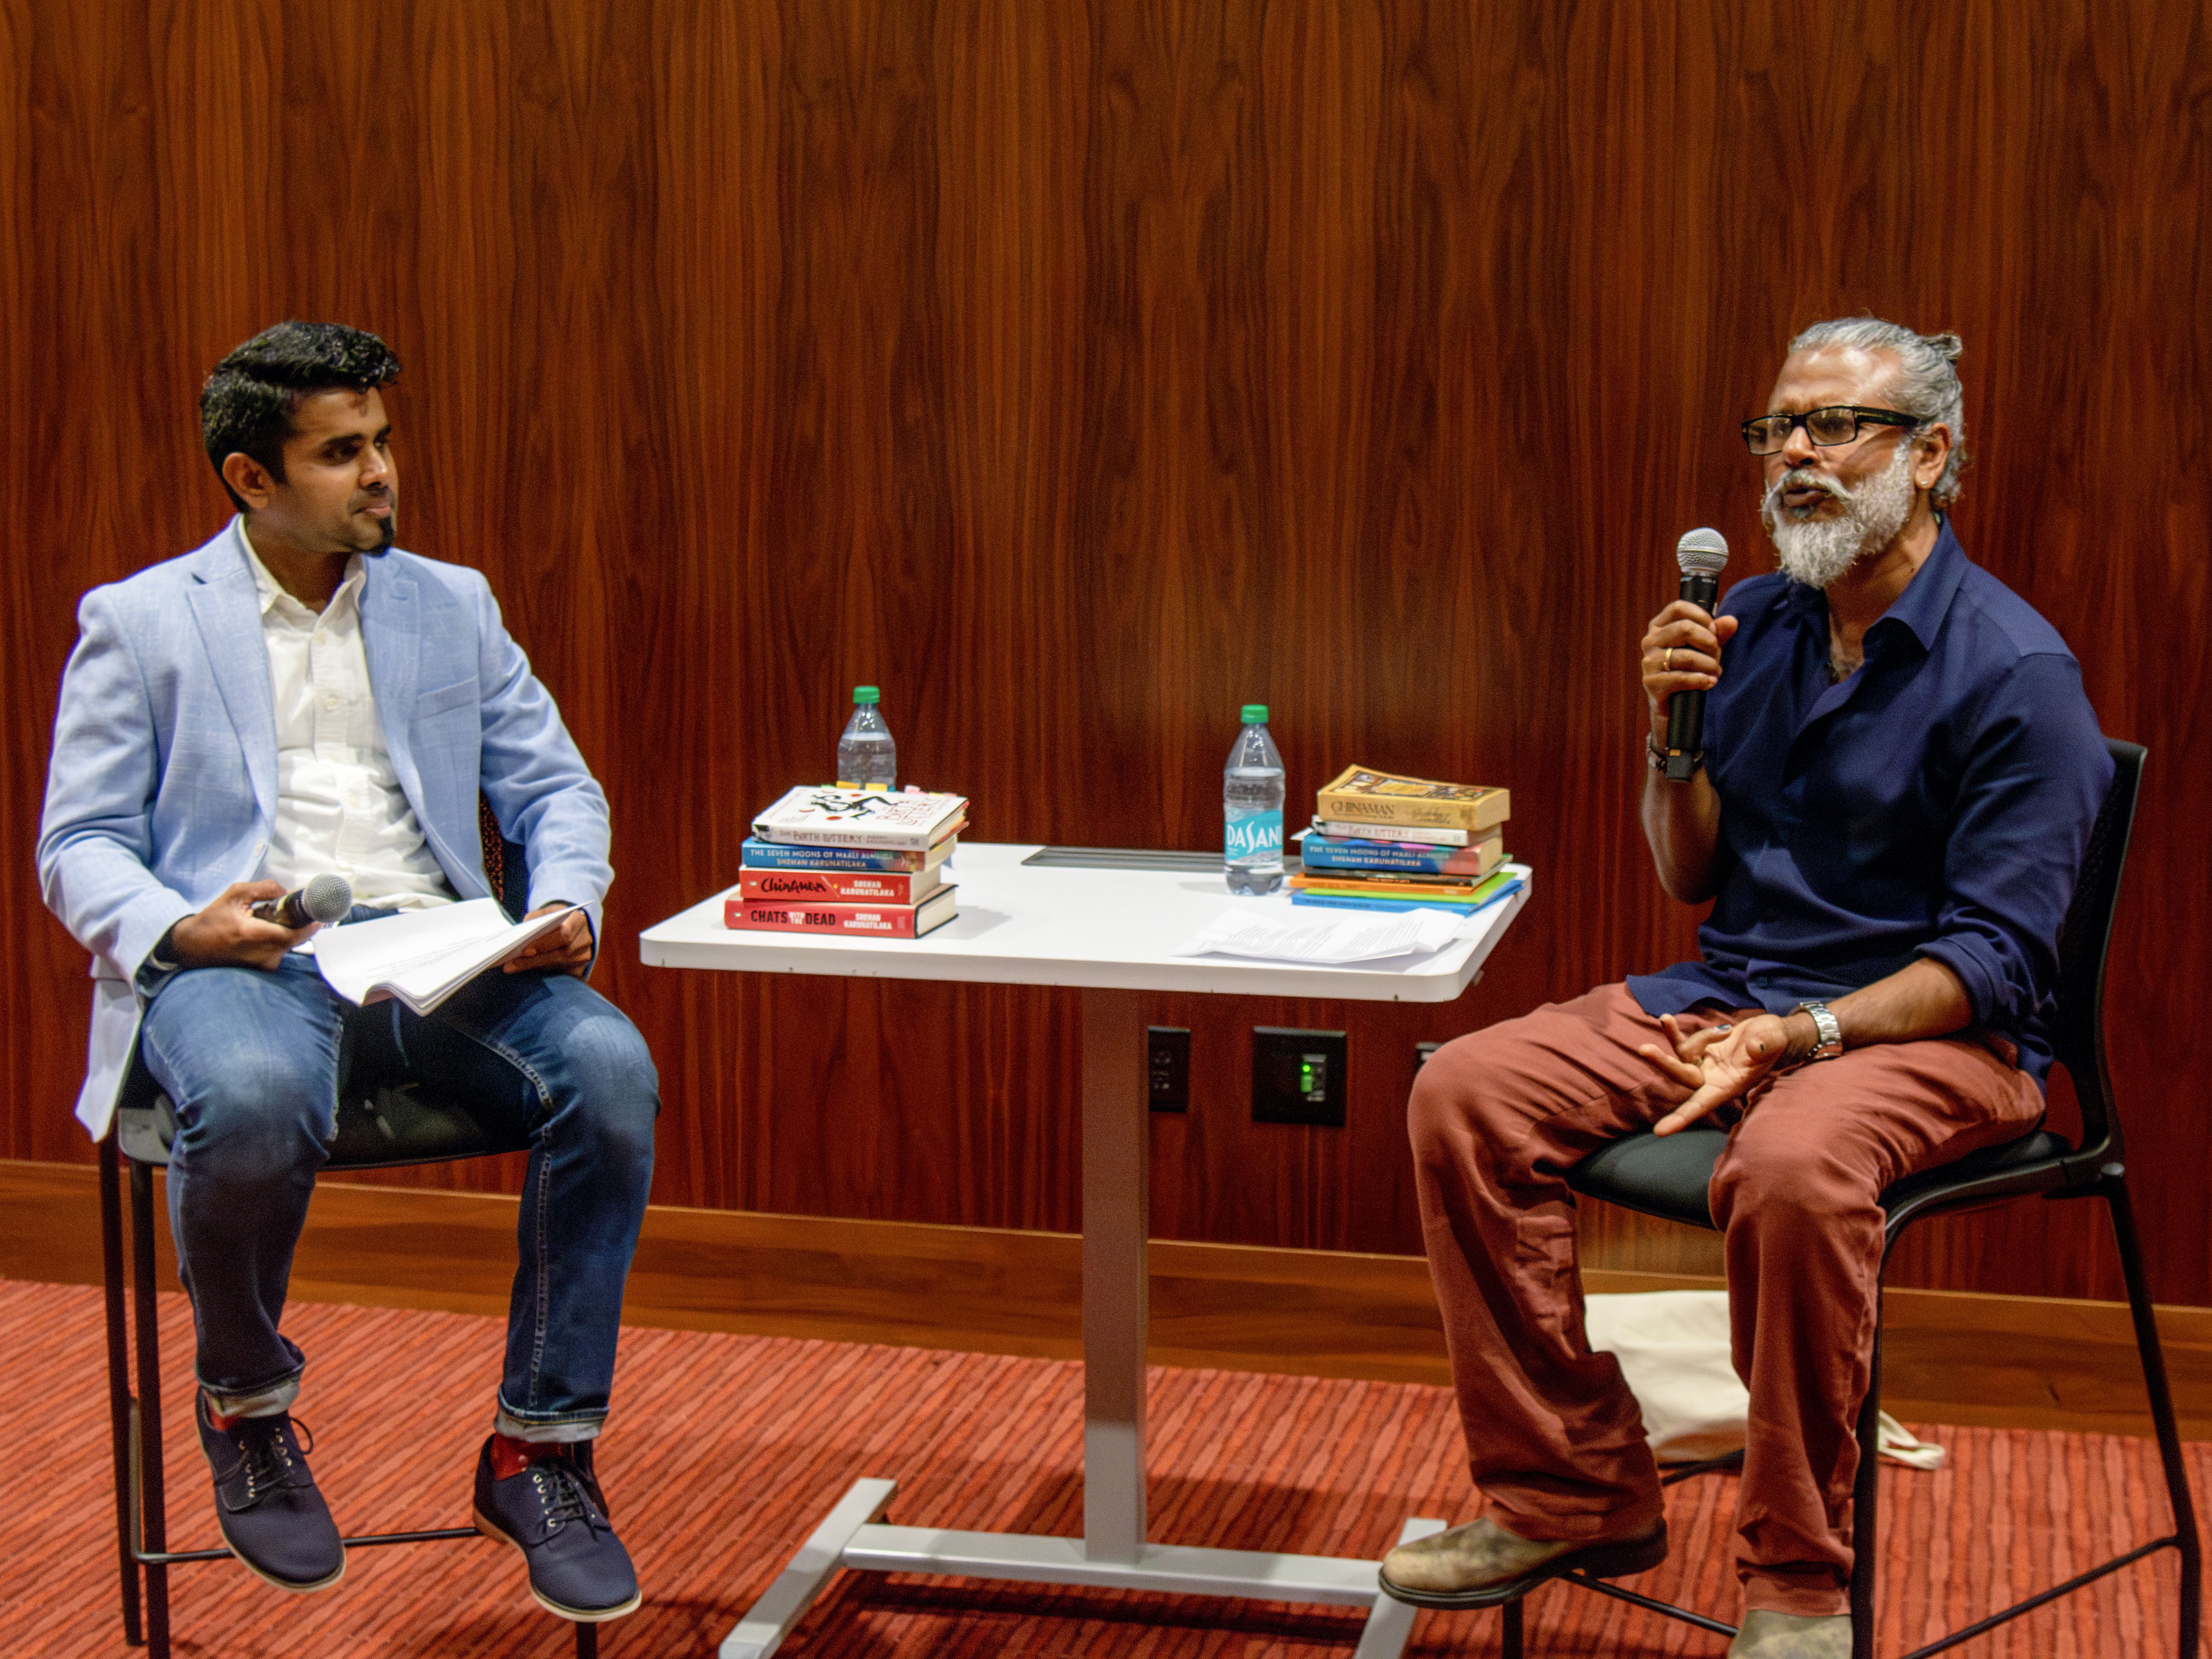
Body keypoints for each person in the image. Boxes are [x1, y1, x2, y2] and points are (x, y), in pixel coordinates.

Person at [1377, 318, 2110, 1658]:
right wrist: (1671, 739)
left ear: (1932, 454)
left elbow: (1996, 961)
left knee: (1790, 1166)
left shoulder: (2017, 673)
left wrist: (1803, 1035)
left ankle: (1796, 1582)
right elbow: (1690, 876)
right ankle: (1569, 1485)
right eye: (1780, 430)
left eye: (1838, 427)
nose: (1797, 460)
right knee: (1467, 1092)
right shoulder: (1759, 621)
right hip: (1739, 997)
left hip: (1941, 1032)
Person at [37, 322, 660, 1627]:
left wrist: (562, 904)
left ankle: (538, 1447)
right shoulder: (143, 622)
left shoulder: (454, 601)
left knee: (610, 1068)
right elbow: (78, 844)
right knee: (256, 1094)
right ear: (249, 477)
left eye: (381, 442)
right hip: (248, 958)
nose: (381, 472)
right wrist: (184, 926)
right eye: (341, 453)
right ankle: (249, 1406)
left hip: (434, 949)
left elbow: (555, 788)